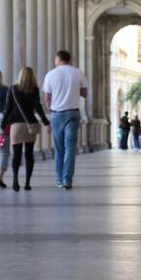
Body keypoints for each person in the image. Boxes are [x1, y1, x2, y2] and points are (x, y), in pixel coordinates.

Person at [42, 49, 88, 190]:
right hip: (73, 113)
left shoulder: (51, 74)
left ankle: (59, 179)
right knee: (70, 148)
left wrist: (51, 111)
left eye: (55, 59)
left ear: (59, 59)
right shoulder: (77, 72)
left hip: (57, 114)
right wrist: (73, 90)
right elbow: (85, 94)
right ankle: (67, 180)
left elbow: (47, 97)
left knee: (59, 148)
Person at [0, 66, 49, 192]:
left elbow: (8, 108)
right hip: (30, 125)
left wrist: (3, 124)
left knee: (16, 154)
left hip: (16, 125)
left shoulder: (13, 89)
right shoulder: (34, 90)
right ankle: (27, 183)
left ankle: (15, 181)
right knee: (29, 154)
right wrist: (46, 122)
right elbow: (38, 108)